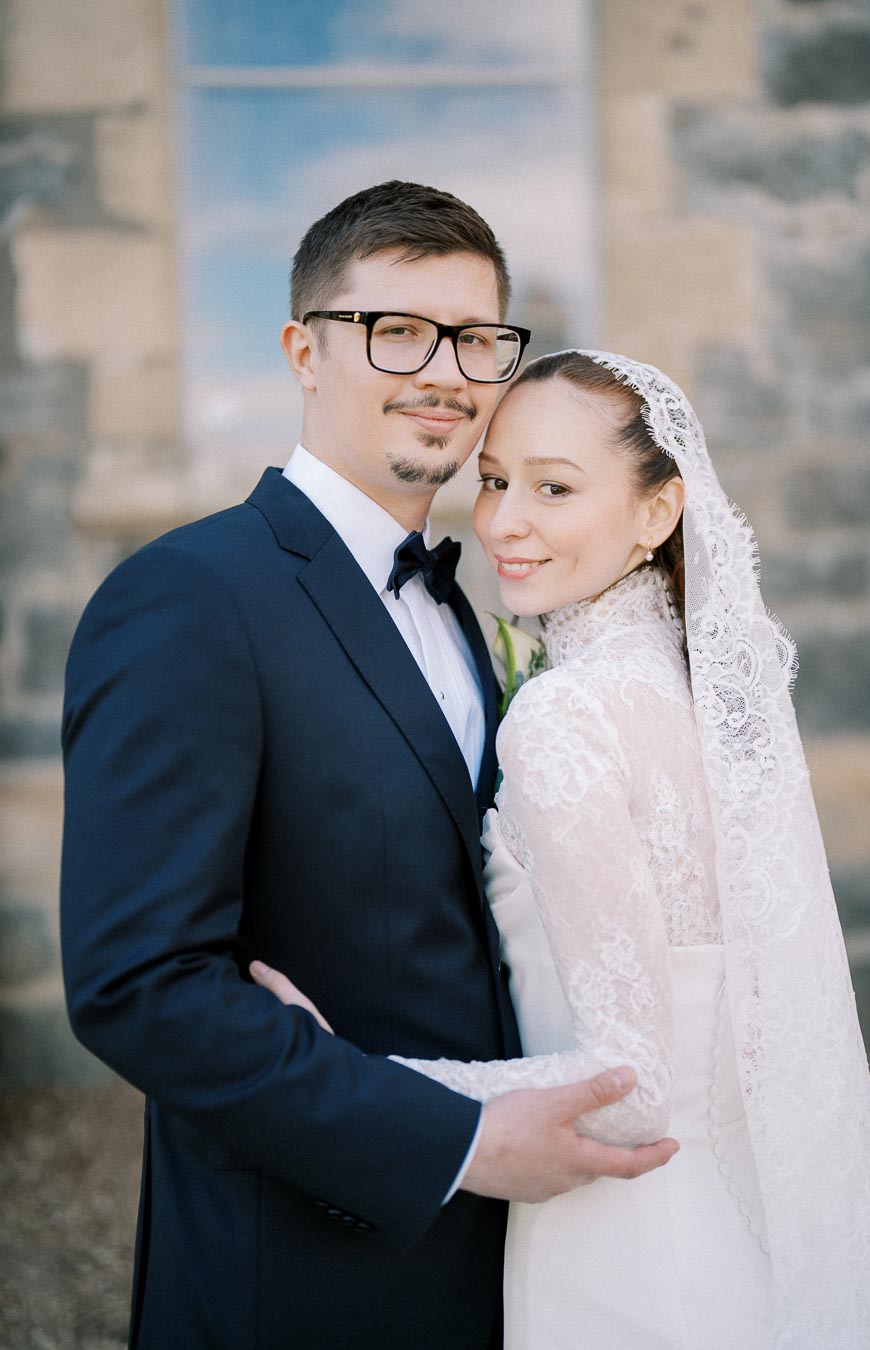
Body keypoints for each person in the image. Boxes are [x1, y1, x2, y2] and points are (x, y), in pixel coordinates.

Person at [59, 188, 676, 1350]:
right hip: (301, 1274)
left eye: (479, 339)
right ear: (302, 349)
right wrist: (461, 1140)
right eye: (396, 329)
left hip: (505, 1270)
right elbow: (137, 984)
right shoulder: (188, 601)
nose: (445, 370)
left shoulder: (484, 612)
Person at [253, 349, 870, 1349]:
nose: (505, 522)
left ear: (657, 513)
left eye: (554, 488)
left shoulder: (566, 717)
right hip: (735, 1228)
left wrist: (351, 1073)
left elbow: (628, 1091)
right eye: (497, 481)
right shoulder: (694, 703)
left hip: (629, 1257)